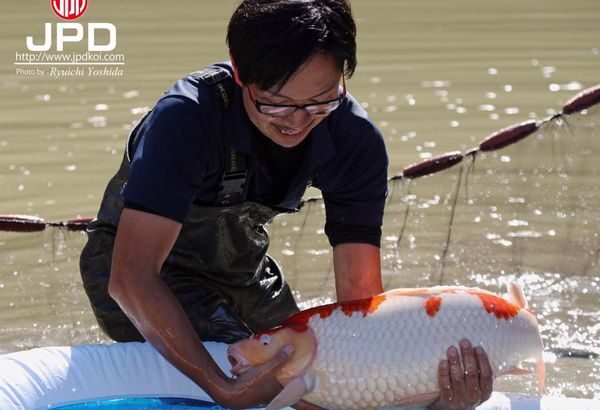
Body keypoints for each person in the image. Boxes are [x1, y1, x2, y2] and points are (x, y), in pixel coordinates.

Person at [80, 0, 493, 408]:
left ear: (343, 79)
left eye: (320, 101)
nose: (297, 122)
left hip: (243, 268)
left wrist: (436, 397)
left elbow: (360, 304)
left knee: (318, 369)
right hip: (135, 268)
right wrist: (224, 388)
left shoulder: (355, 140)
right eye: (275, 102)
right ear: (240, 73)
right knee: (267, 379)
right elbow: (130, 277)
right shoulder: (187, 117)